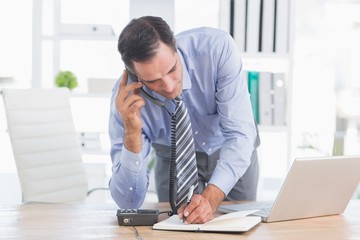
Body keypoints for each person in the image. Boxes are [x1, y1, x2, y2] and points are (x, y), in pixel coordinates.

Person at [108, 16, 260, 224]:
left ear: (175, 47)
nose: (169, 87)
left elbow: (240, 135)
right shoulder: (125, 101)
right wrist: (132, 134)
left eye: (172, 69)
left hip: (231, 150)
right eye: (153, 81)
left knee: (240, 225)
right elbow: (129, 201)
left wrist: (211, 198)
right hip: (172, 157)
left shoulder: (216, 48)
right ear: (135, 77)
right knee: (179, 227)